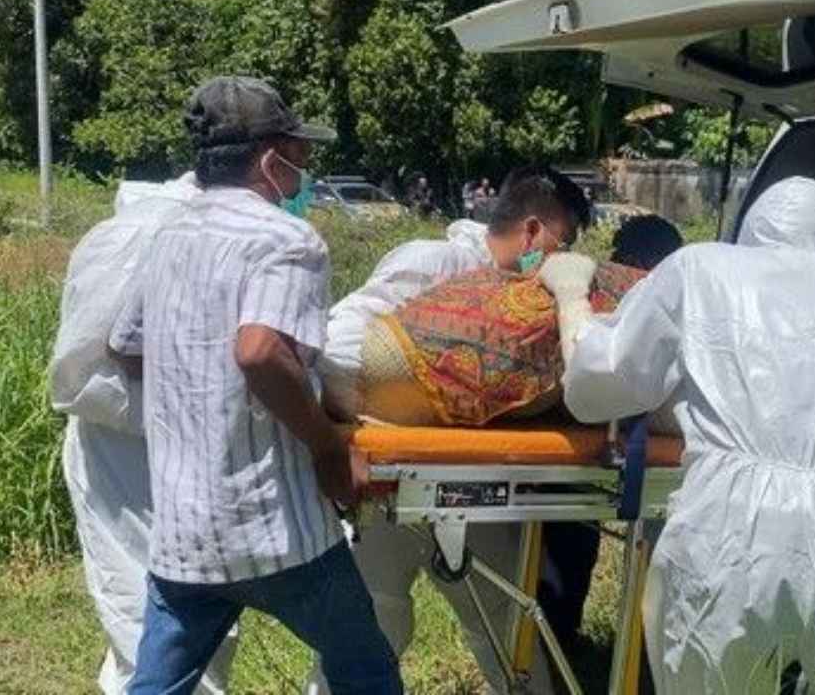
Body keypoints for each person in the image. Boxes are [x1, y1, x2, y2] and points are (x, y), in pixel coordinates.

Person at [545, 177, 815, 694]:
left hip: (734, 528)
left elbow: (598, 387)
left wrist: (571, 298)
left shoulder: (700, 268)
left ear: (752, 227)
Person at [109, 76, 401, 695]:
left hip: (185, 533)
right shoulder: (286, 240)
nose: (304, 171)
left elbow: (127, 347)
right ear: (270, 160)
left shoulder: (168, 235)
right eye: (299, 155)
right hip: (273, 527)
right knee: (365, 670)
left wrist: (196, 380)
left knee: (156, 687)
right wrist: (327, 446)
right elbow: (260, 350)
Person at [311, 166, 590, 694]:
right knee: (375, 620)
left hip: (472, 481)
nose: (563, 258)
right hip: (397, 473)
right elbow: (339, 348)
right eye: (565, 242)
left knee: (504, 627)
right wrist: (412, 406)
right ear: (533, 231)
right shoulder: (436, 263)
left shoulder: (527, 295)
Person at [50, 171, 242, 695]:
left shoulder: (219, 230)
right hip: (123, 452)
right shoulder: (147, 235)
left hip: (189, 448)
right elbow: (105, 360)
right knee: (150, 619)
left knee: (195, 615)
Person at [537, 214, 684, 659]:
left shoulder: (650, 302)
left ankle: (560, 641)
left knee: (570, 531)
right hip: (631, 444)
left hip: (604, 439)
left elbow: (593, 377)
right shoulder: (669, 303)